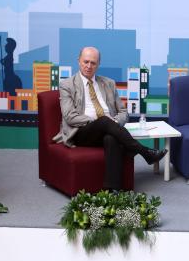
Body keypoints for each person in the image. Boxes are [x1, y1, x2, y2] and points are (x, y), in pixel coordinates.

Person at [54, 46, 166, 189]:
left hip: (108, 128)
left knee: (111, 137)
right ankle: (145, 152)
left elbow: (123, 112)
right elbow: (70, 117)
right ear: (79, 61)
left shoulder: (108, 83)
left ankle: (112, 189)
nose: (89, 66)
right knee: (104, 121)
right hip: (81, 132)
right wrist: (100, 122)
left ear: (98, 64)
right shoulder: (67, 85)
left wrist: (115, 121)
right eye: (86, 62)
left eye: (93, 63)